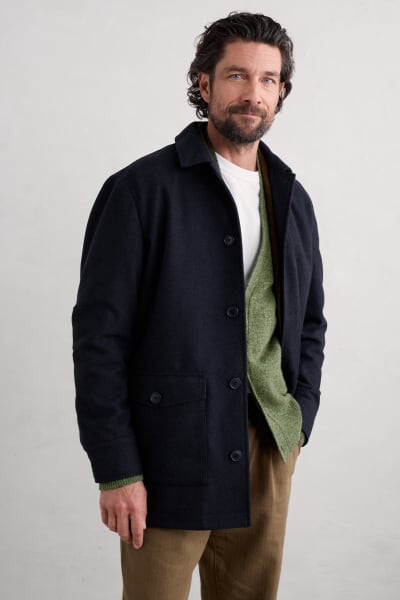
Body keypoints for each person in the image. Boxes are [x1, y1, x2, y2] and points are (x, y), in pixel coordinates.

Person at [72, 11, 326, 600]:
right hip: (170, 449)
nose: (253, 93)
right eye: (237, 75)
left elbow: (309, 320)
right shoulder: (140, 190)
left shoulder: (293, 198)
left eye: (268, 79)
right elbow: (100, 338)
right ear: (205, 83)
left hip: (268, 444)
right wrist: (116, 467)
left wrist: (300, 415)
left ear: (281, 91)